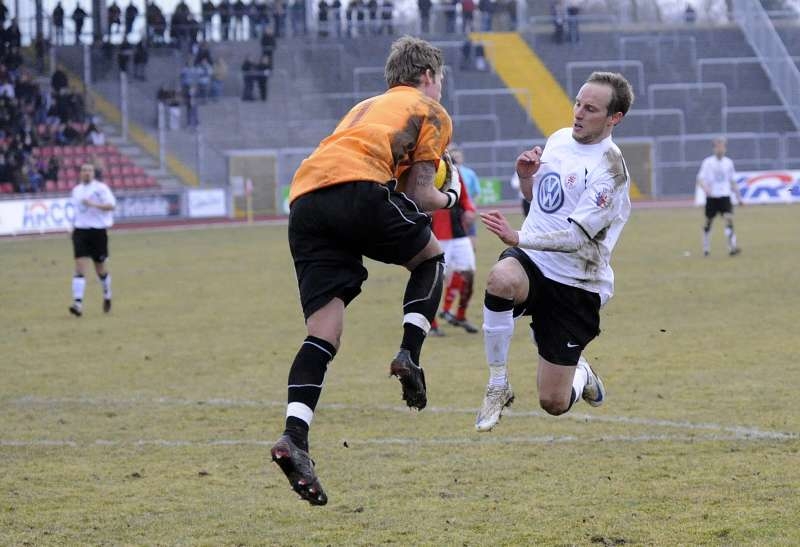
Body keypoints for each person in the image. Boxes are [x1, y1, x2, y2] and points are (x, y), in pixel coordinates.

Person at [270, 36, 457, 506]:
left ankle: (295, 436)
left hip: (306, 198)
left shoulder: (365, 106)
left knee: (323, 332)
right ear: (429, 76)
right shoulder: (430, 110)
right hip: (356, 189)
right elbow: (418, 195)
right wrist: (450, 193)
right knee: (430, 258)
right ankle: (409, 354)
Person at [474, 71, 634, 432]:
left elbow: (576, 238)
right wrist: (526, 178)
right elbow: (543, 202)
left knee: (553, 402)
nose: (578, 113)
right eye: (577, 103)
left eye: (590, 109)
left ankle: (582, 374)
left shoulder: (611, 171)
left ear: (614, 118)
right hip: (534, 262)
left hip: (576, 282)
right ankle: (497, 384)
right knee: (500, 279)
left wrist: (517, 237)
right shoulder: (559, 139)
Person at [431, 169, 478, 336]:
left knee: (468, 274)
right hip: (434, 234)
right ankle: (431, 323)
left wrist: (470, 209)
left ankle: (459, 315)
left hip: (458, 232)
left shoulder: (452, 169)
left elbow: (464, 195)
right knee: (434, 280)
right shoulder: (421, 165)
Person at [68, 163, 116, 317]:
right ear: (80, 173)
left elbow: (111, 206)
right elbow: (75, 210)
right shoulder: (76, 190)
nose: (86, 173)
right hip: (81, 231)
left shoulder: (101, 188)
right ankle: (78, 304)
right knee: (80, 268)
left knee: (100, 269)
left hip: (98, 231)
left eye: (89, 170)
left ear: (94, 173)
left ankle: (107, 295)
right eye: (83, 170)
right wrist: (72, 227)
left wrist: (93, 204)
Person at [697, 136, 743, 257]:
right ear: (714, 148)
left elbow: (732, 181)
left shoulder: (728, 163)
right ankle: (706, 247)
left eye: (722, 146)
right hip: (712, 196)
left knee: (728, 218)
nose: (720, 149)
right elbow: (700, 179)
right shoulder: (708, 162)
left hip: (725, 195)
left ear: (725, 148)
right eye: (718, 146)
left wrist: (739, 197)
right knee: (709, 221)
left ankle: (732, 247)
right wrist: (705, 188)